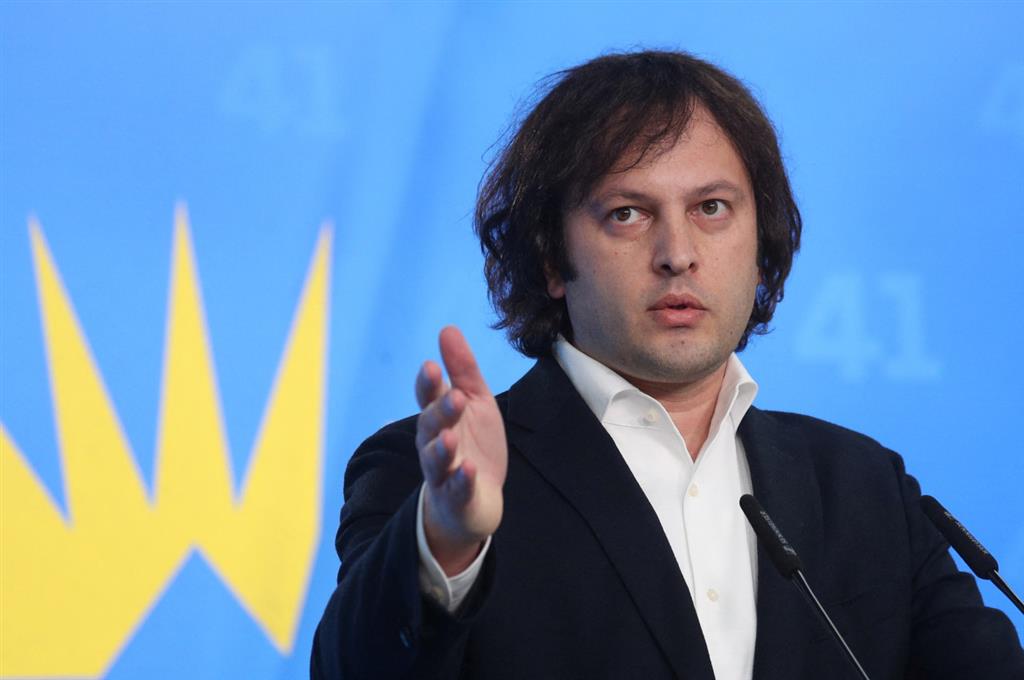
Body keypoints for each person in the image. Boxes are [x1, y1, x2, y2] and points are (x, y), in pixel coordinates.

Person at [311, 50, 1024, 679]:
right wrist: (448, 544)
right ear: (552, 257)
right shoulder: (430, 479)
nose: (678, 254)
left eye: (711, 208)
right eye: (628, 213)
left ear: (760, 243)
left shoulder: (864, 487)